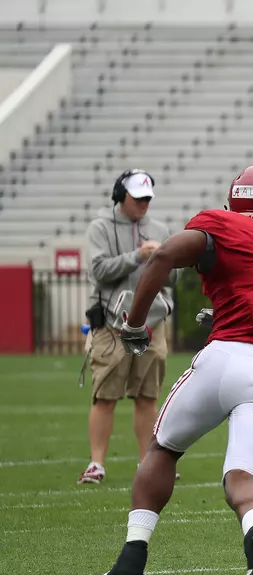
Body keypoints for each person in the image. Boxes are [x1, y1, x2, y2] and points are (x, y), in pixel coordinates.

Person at [97, 165, 253, 575]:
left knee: (163, 448)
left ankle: (134, 550)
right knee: (241, 478)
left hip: (223, 359)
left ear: (235, 202)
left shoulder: (219, 224)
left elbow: (164, 256)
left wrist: (134, 323)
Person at [79, 169, 175, 485]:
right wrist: (138, 256)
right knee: (105, 395)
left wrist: (165, 263)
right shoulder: (100, 227)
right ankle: (96, 464)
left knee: (148, 395)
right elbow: (99, 271)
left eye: (148, 198)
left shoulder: (159, 228)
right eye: (138, 198)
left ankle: (148, 463)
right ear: (121, 196)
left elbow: (173, 276)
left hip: (151, 323)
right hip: (111, 322)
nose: (144, 204)